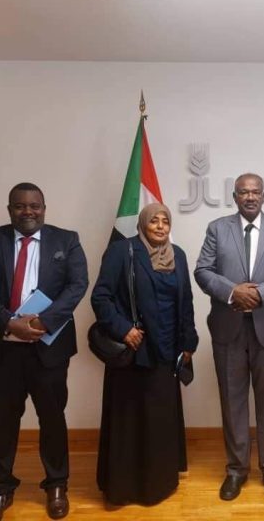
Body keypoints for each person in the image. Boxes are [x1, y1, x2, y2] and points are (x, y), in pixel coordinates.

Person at [0, 182, 88, 521]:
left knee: (52, 418)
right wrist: (10, 322)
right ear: (9, 210)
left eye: (34, 205)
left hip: (48, 348)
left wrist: (44, 322)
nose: (28, 211)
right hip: (2, 349)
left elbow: (77, 285)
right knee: (4, 421)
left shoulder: (67, 240)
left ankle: (57, 485)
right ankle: (0, 489)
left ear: (44, 209)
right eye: (20, 206)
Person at [194, 173, 264, 501]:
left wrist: (260, 293)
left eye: (256, 192)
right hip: (228, 329)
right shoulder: (217, 228)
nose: (250, 197)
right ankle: (236, 470)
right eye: (244, 192)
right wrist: (233, 292)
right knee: (233, 402)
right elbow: (203, 270)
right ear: (235, 196)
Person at [91, 203, 199, 506]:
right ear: (142, 224)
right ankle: (124, 488)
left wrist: (188, 343)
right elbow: (100, 297)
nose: (161, 226)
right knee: (129, 421)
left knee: (159, 421)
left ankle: (159, 484)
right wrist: (124, 329)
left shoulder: (178, 255)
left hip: (167, 351)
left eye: (166, 221)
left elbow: (186, 301)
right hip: (134, 351)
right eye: (154, 221)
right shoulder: (121, 251)